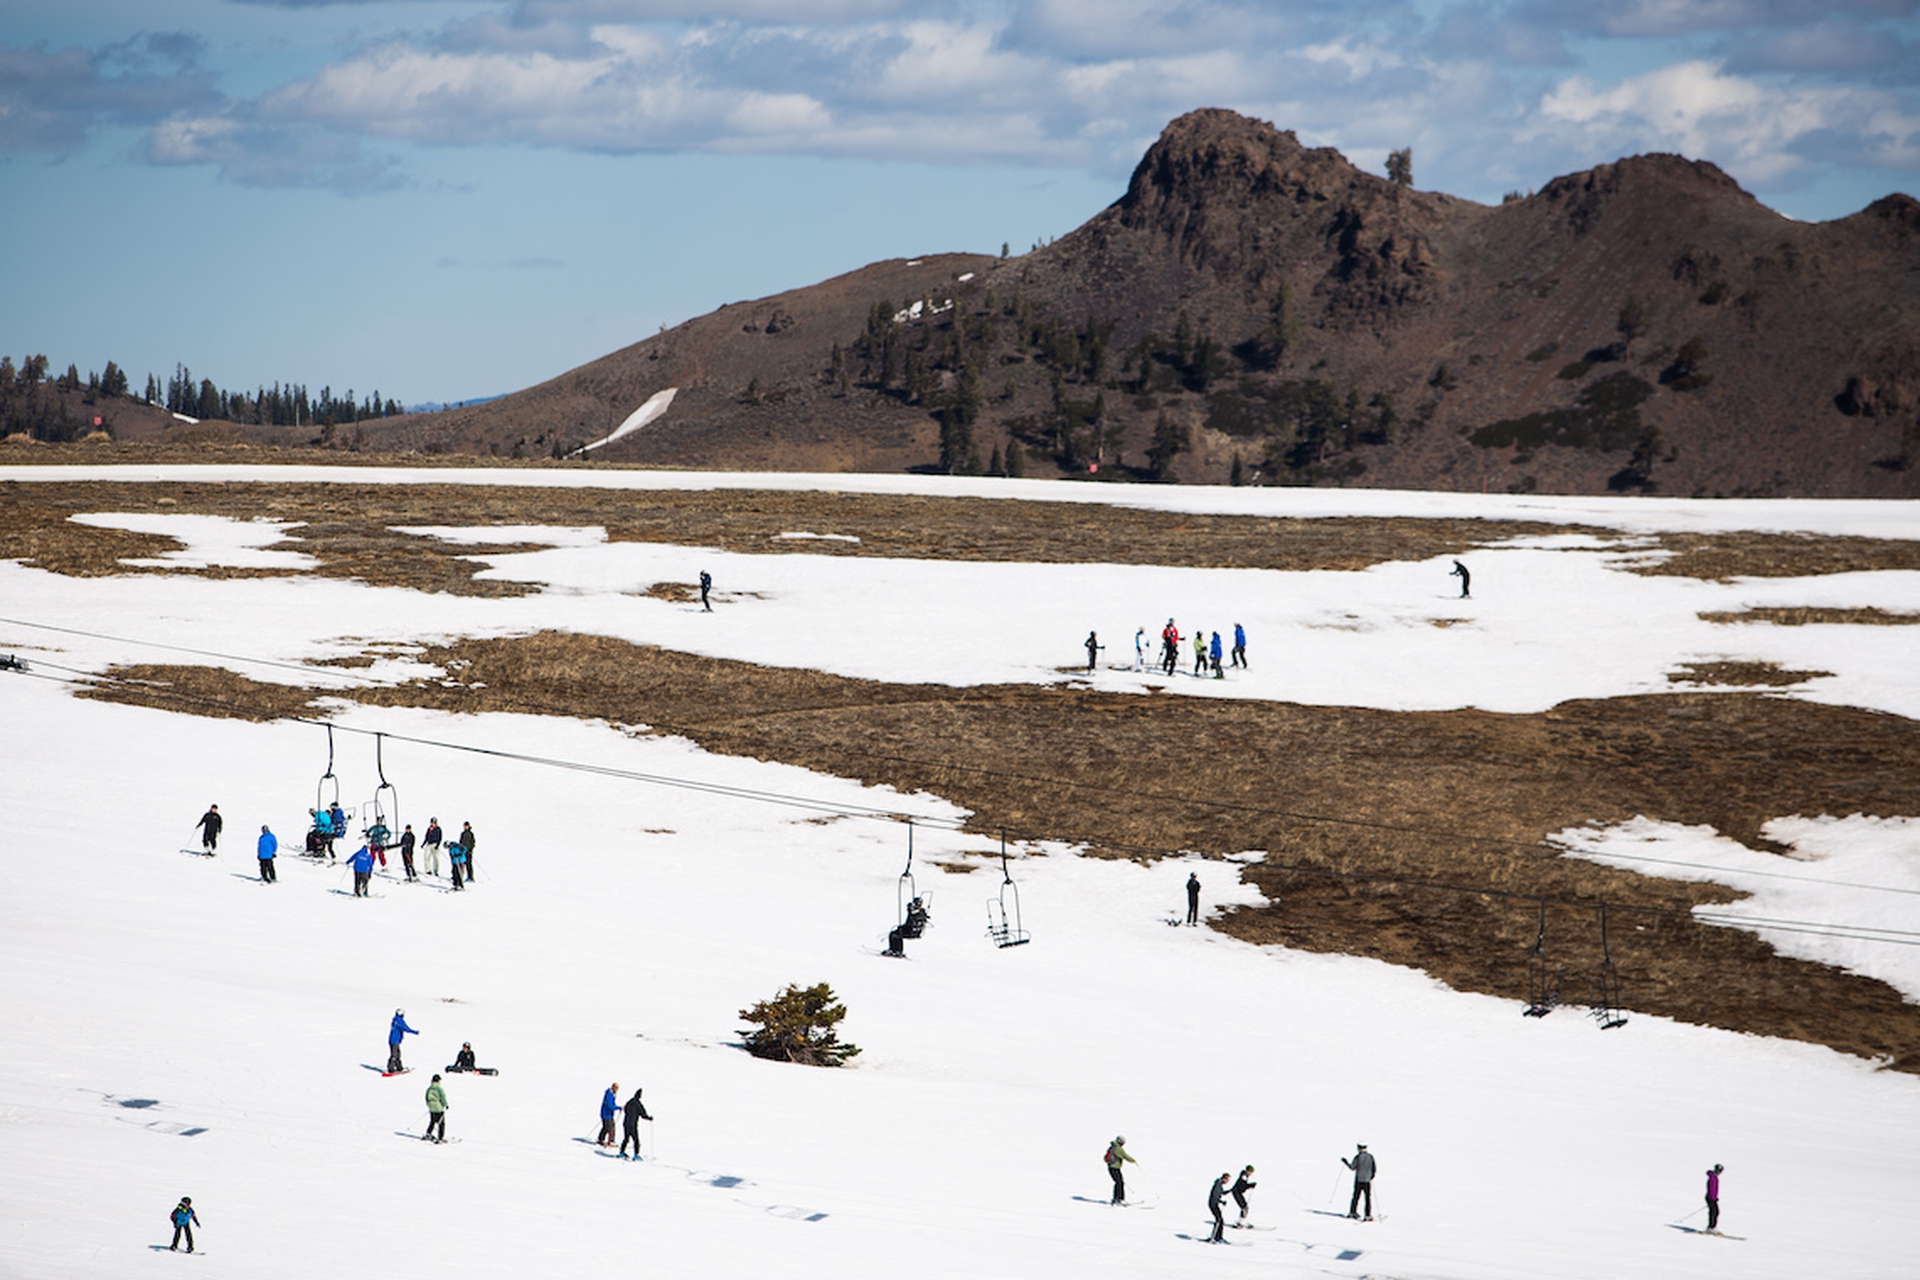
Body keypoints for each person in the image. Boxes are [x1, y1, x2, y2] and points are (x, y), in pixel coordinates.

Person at [1342, 1143, 1376, 1220]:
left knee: (1356, 1197)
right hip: (1367, 1181)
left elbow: (1352, 1167)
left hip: (1359, 1180)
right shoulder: (1370, 1157)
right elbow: (1374, 1168)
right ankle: (1367, 1215)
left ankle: (1352, 1212)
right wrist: (1371, 1176)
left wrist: (1345, 1162)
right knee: (1367, 1198)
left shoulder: (1358, 1157)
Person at [620, 1086, 652, 1159]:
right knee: (636, 1140)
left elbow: (625, 1110)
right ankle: (636, 1155)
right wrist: (649, 1118)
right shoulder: (638, 1104)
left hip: (626, 1123)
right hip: (633, 1125)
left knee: (626, 1138)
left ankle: (621, 1152)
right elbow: (643, 1114)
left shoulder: (629, 1102)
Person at [1104, 1135, 1135, 1204]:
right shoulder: (1118, 1149)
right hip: (1115, 1168)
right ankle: (1118, 1199)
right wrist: (1133, 1161)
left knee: (1119, 1182)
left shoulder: (1112, 1147)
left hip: (1111, 1167)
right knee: (1119, 1183)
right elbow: (1125, 1156)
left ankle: (1117, 1199)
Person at [388, 1009, 418, 1073]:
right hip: (395, 1040)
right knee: (394, 1055)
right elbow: (406, 1028)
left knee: (397, 1054)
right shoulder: (399, 1020)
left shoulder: (395, 1020)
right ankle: (391, 1068)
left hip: (394, 1040)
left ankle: (399, 1067)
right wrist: (415, 1032)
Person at [424, 1074, 448, 1143]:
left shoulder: (429, 1088)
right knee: (441, 1123)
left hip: (431, 1106)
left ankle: (428, 1133)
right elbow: (442, 1097)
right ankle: (440, 1137)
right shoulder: (439, 1088)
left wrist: (429, 1104)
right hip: (438, 1107)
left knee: (432, 1121)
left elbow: (426, 1097)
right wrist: (446, 1104)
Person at [1207, 1171, 1230, 1242]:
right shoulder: (1218, 1185)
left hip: (1214, 1203)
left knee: (1220, 1220)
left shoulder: (1219, 1184)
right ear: (1224, 1178)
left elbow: (1220, 1193)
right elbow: (1215, 1196)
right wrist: (1221, 1202)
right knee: (1219, 1220)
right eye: (1227, 1180)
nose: (1228, 1181)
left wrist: (1228, 1192)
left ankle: (1218, 1237)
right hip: (1213, 1204)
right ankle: (1215, 1237)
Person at [1705, 1163, 1724, 1233]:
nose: (1720, 1173)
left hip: (1712, 1198)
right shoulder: (1712, 1177)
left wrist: (1715, 1197)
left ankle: (1712, 1227)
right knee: (1713, 1212)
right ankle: (1711, 1227)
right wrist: (1713, 1198)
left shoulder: (1714, 1177)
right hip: (1710, 1198)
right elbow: (1711, 1189)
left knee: (1716, 1212)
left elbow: (1715, 1189)